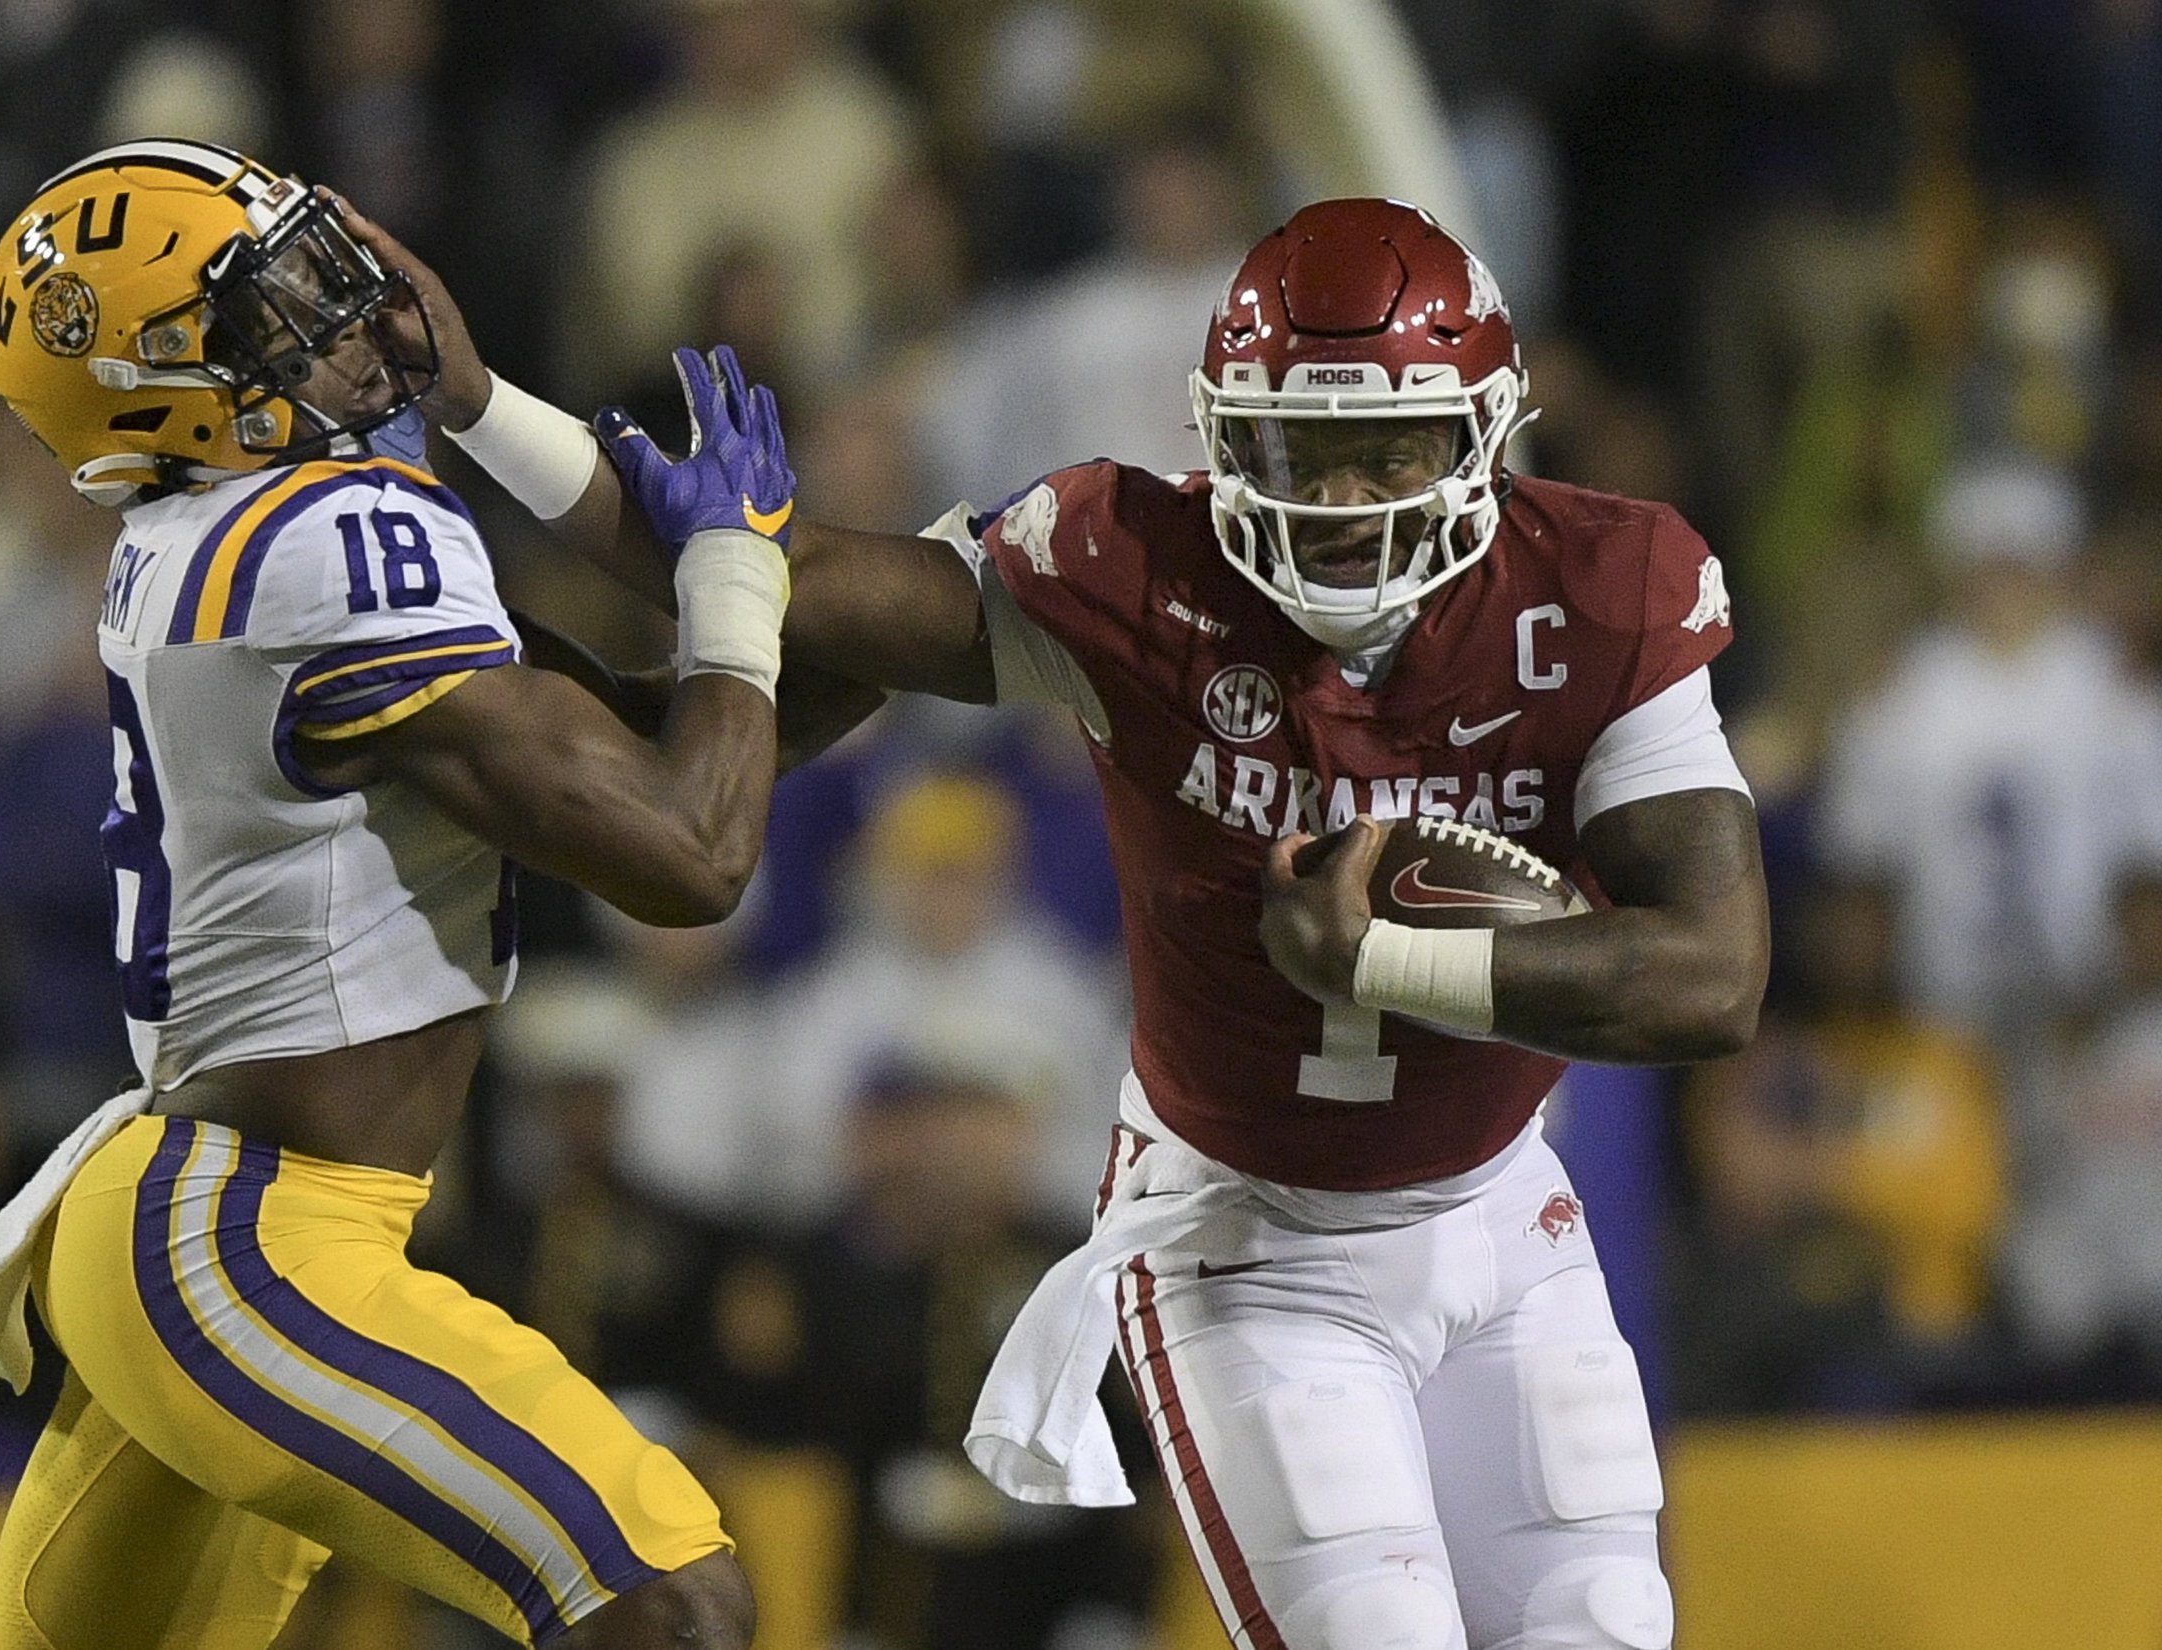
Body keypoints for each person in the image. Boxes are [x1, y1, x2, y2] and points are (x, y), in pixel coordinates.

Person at [401, 198, 1769, 1650]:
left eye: (1393, 447)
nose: (1350, 501)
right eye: (1310, 452)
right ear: (1229, 435)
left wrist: (1380, 955)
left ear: (1486, 435)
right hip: (1254, 1242)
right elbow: (763, 567)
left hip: (1501, 1209)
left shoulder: (1604, 588)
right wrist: (481, 405)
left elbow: (1712, 976)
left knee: (1605, 1627)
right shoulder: (1133, 568)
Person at [0, 139, 797, 1650]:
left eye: (315, 268)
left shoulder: (230, 532)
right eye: (271, 307)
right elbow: (690, 849)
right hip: (241, 1240)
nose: (345, 315)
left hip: (218, 1221)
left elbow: (638, 746)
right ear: (158, 384)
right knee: (670, 1602)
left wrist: (499, 418)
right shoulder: (307, 545)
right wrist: (737, 582)